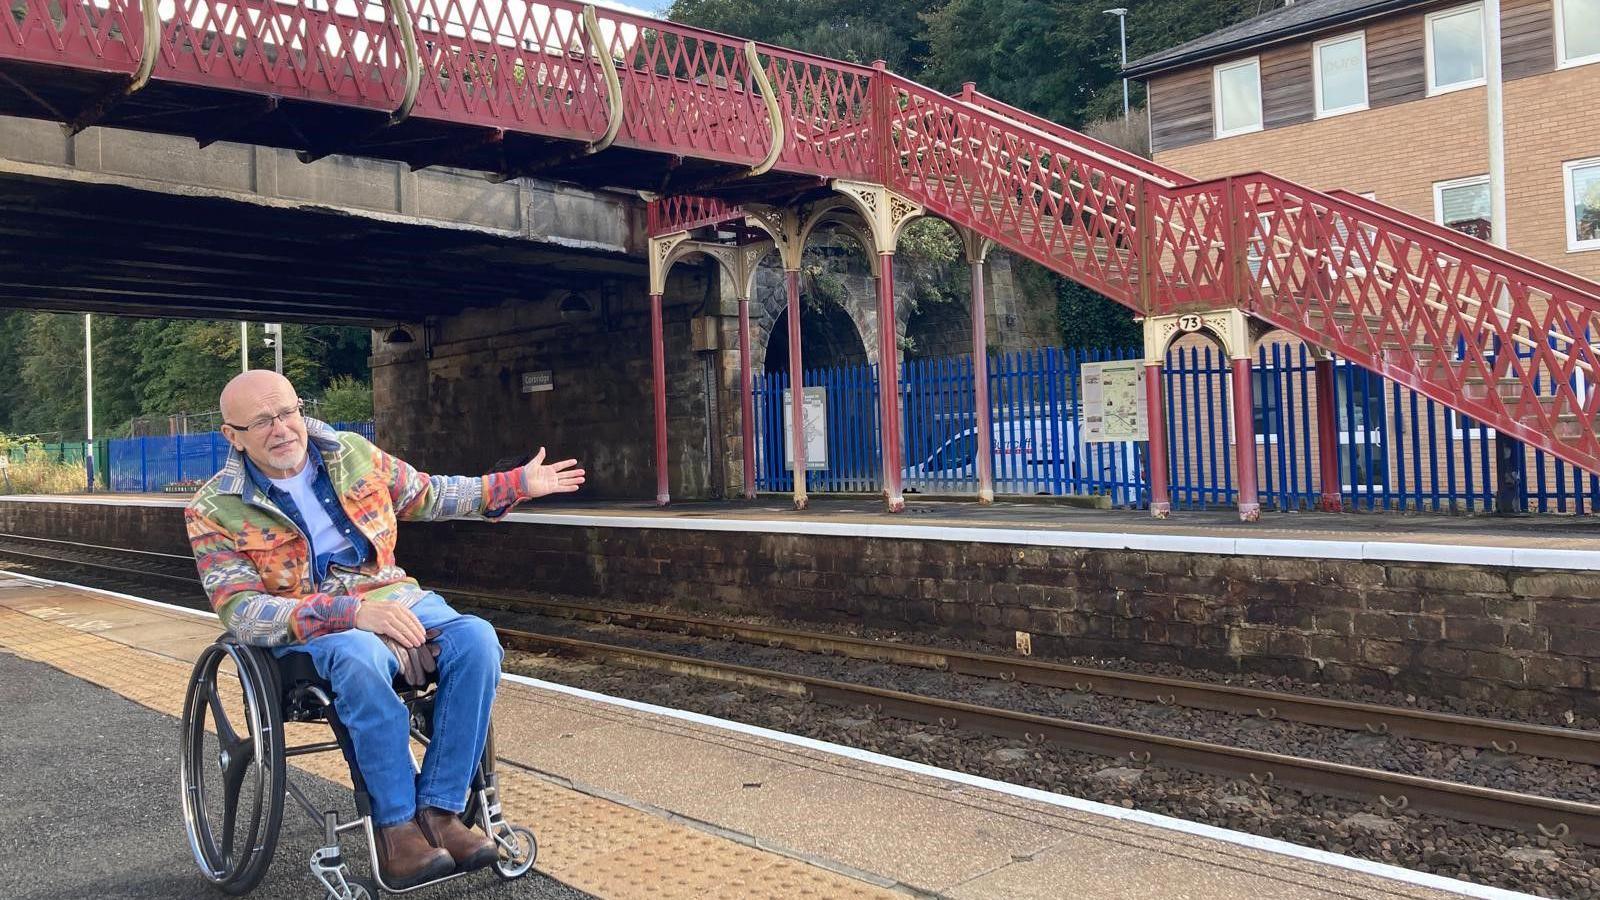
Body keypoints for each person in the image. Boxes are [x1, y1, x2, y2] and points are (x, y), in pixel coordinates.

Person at [185, 370, 584, 887]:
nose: (281, 428)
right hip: (311, 629)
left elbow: (429, 495)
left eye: (287, 412)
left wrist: (515, 486)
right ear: (231, 435)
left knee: (477, 640)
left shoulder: (352, 452)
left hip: (394, 598)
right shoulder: (212, 509)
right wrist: (351, 616)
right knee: (358, 654)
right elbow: (242, 612)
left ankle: (441, 812)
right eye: (261, 421)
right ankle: (396, 829)